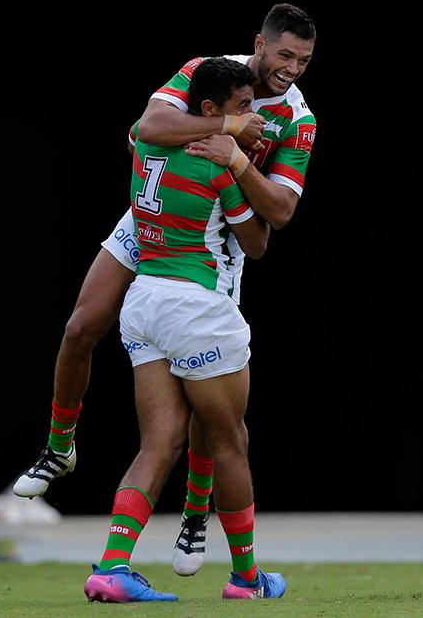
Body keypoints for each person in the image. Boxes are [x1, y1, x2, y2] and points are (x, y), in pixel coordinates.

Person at [12, 2, 316, 577]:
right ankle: (60, 447)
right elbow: (146, 128)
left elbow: (279, 213)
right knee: (81, 326)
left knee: (209, 401)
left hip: (215, 232)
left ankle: (195, 516)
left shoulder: (299, 119)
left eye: (303, 60)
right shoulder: (208, 69)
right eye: (284, 55)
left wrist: (237, 163)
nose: (292, 69)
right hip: (152, 212)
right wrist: (229, 127)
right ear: (260, 43)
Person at [82, 57, 282, 603]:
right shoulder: (218, 166)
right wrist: (241, 162)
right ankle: (246, 580)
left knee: (158, 442)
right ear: (212, 111)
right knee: (230, 442)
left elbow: (141, 131)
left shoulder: (144, 144)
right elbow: (259, 243)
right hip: (197, 309)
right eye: (243, 108)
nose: (252, 117)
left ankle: (112, 567)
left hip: (143, 301)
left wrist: (226, 130)